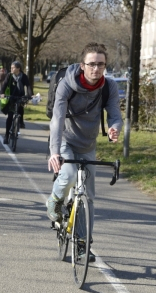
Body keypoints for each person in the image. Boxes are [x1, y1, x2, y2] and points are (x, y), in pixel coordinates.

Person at [46, 43, 122, 262]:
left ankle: (82, 244)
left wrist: (115, 127)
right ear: (82, 65)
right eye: (91, 64)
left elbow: (115, 114)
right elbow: (57, 119)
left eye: (101, 64)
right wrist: (54, 152)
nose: (96, 69)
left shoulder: (108, 86)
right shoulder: (66, 85)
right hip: (65, 140)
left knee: (88, 197)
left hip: (88, 145)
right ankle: (54, 200)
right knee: (68, 175)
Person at [0, 61, 32, 144]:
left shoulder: (23, 76)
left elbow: (28, 86)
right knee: (10, 116)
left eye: (13, 68)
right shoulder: (9, 75)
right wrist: (2, 93)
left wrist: (30, 94)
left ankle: (21, 122)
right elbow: (4, 84)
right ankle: (6, 135)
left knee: (21, 108)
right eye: (11, 67)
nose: (11, 69)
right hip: (11, 97)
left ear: (18, 69)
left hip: (20, 96)